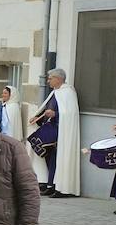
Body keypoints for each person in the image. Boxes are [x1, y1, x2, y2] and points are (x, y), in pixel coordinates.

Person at [31, 68, 81, 198]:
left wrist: (55, 114)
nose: (48, 81)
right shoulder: (55, 92)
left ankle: (62, 187)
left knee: (59, 159)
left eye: (50, 78)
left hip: (62, 131)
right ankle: (51, 185)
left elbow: (70, 114)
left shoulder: (68, 92)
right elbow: (46, 109)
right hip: (51, 130)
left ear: (58, 79)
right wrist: (37, 117)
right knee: (49, 158)